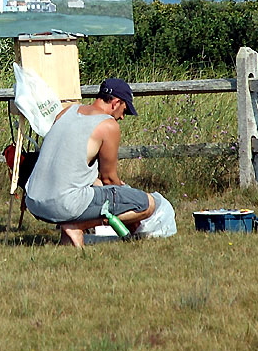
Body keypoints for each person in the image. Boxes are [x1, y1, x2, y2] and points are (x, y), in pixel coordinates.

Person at [25, 78, 168, 247]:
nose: (122, 116)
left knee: (100, 187)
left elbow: (71, 166)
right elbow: (109, 178)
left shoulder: (67, 112)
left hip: (33, 200)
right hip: (63, 205)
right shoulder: (108, 125)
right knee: (147, 204)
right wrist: (125, 195)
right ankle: (76, 226)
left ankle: (70, 231)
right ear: (116, 103)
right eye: (125, 110)